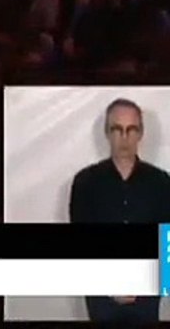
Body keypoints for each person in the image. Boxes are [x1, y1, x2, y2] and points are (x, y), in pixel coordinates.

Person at [69, 97, 170, 323]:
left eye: (131, 129)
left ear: (141, 133)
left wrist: (149, 286)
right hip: (101, 297)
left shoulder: (161, 182)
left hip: (147, 297)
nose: (124, 138)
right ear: (107, 132)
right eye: (117, 129)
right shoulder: (85, 182)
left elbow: (167, 241)